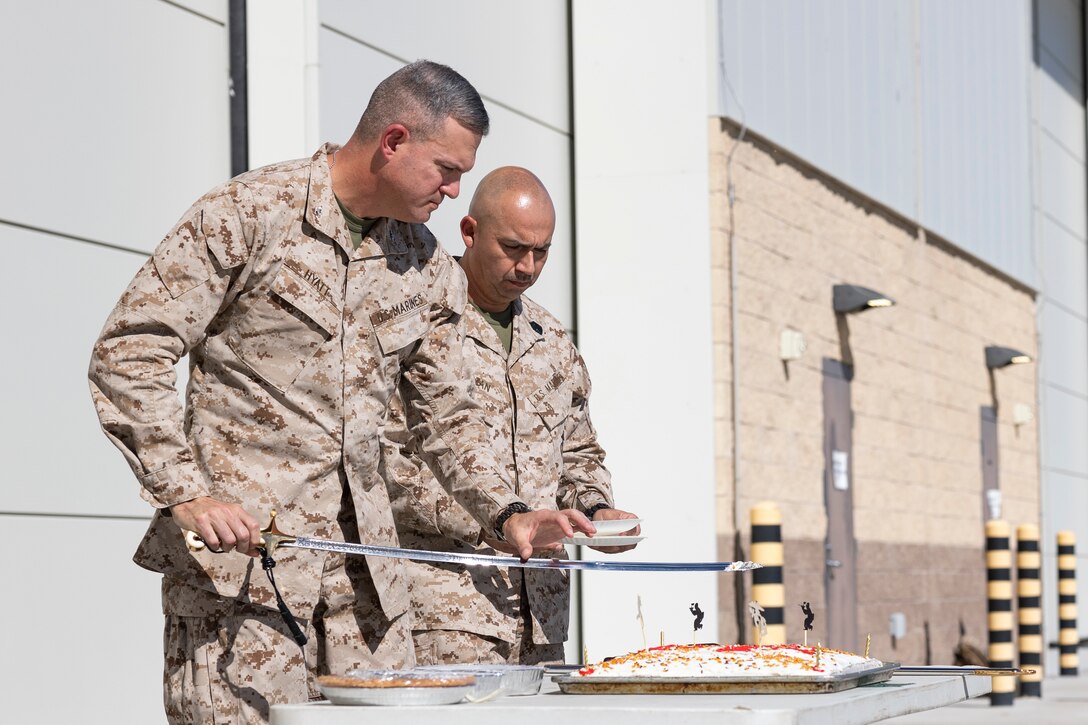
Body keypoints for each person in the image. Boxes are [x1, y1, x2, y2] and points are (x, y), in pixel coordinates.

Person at [87, 61, 594, 723]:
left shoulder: (426, 268)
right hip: (248, 587)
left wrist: (509, 514)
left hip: (367, 602)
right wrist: (184, 489)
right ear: (393, 141)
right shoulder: (251, 214)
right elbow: (130, 348)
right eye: (446, 168)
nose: (455, 188)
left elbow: (448, 417)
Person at [384, 167, 640, 665]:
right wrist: (501, 522)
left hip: (540, 616)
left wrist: (594, 513)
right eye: (513, 248)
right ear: (470, 232)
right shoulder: (419, 319)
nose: (527, 266)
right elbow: (382, 459)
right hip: (446, 607)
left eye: (540, 251)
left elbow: (577, 453)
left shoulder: (551, 340)